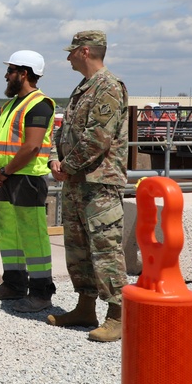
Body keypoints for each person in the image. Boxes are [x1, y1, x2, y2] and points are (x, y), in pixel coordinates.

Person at [48, 30, 129, 342]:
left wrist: (65, 167)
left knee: (105, 248)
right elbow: (68, 132)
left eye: (71, 52)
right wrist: (59, 163)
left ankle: (118, 314)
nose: (68, 57)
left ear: (84, 51)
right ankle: (85, 306)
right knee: (78, 248)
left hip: (99, 183)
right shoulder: (84, 88)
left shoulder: (108, 87)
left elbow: (97, 138)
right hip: (77, 182)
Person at [0, 51, 57, 312]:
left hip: (27, 178)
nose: (6, 75)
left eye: (11, 70)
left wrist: (4, 172)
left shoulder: (40, 104)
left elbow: (32, 146)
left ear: (24, 73)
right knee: (10, 233)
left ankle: (41, 292)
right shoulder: (11, 105)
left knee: (33, 236)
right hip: (7, 176)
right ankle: (14, 284)